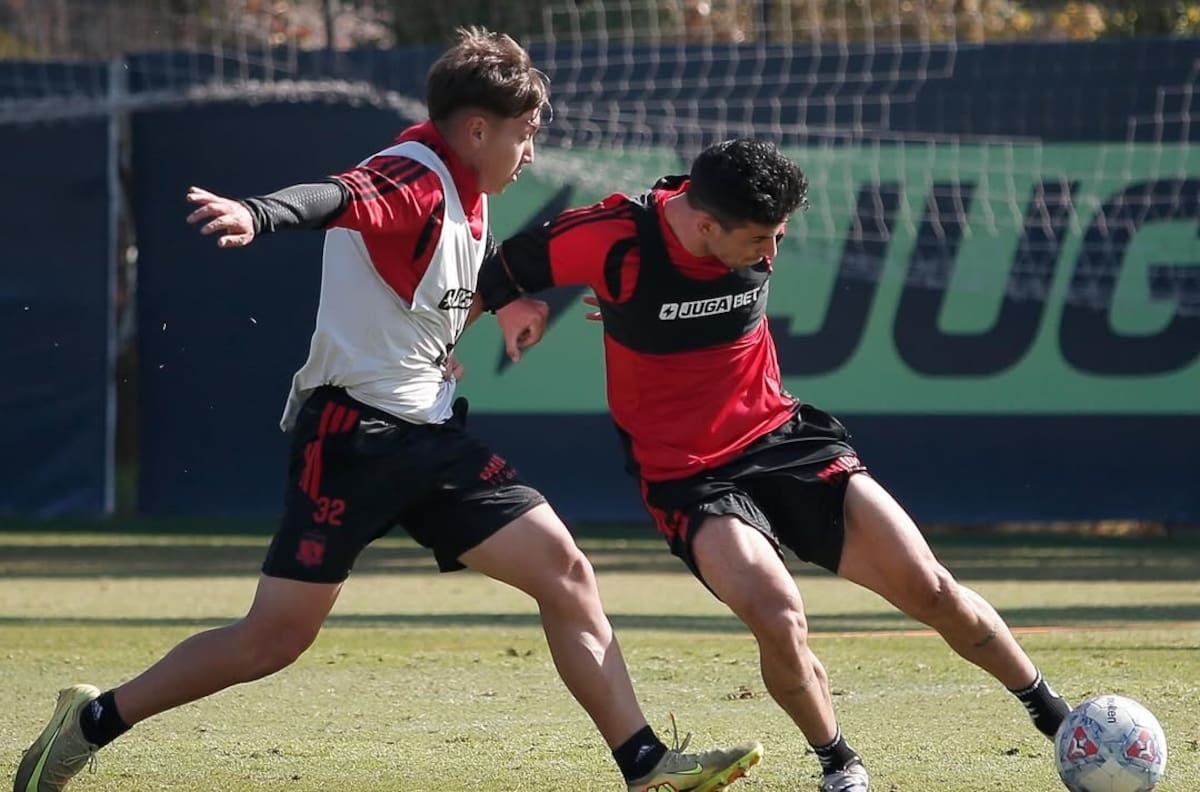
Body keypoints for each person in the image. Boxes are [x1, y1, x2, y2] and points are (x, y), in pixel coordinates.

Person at [12, 29, 763, 792]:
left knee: (565, 571)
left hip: (430, 435)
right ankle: (90, 722)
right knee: (272, 639)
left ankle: (644, 765)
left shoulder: (467, 195)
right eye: (525, 134)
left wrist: (500, 309)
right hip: (354, 438)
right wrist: (258, 213)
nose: (531, 153)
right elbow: (336, 198)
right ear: (477, 130)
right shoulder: (413, 176)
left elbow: (432, 292)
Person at [475, 138, 1073, 792]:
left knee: (930, 588)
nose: (772, 253)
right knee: (779, 616)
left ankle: (1061, 723)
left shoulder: (740, 224)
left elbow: (692, 287)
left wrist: (639, 308)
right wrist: (507, 307)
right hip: (688, 475)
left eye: (780, 234)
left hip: (784, 439)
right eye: (761, 239)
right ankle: (840, 763)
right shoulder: (617, 237)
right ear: (706, 227)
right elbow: (497, 268)